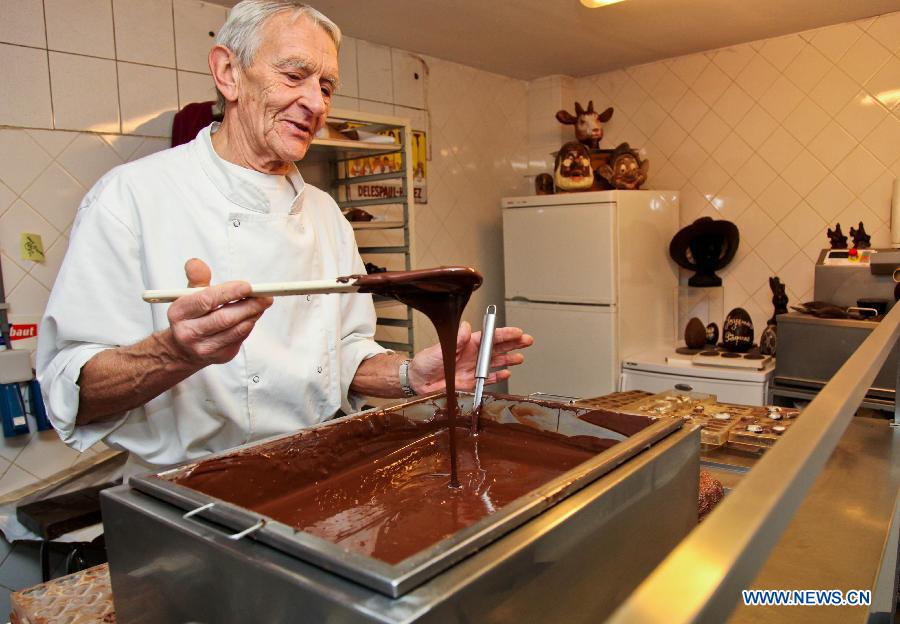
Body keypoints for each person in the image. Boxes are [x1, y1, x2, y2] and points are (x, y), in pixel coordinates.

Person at [36, 0, 532, 476]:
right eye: (294, 76)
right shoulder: (131, 197)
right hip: (189, 493)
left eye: (327, 86)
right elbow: (69, 384)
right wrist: (176, 351)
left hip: (316, 469)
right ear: (228, 73)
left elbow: (341, 353)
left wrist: (408, 377)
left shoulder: (324, 213)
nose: (316, 103)